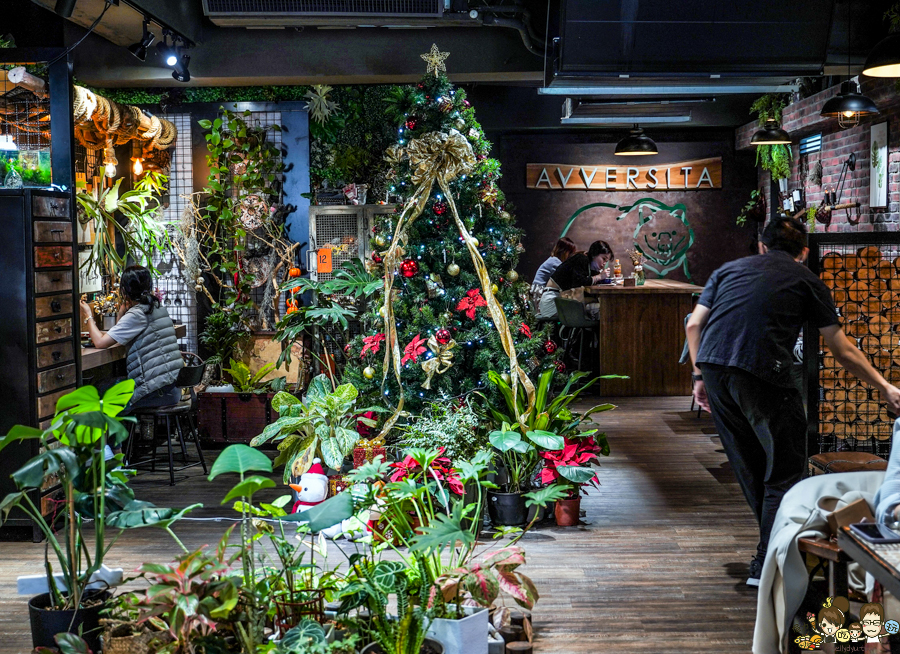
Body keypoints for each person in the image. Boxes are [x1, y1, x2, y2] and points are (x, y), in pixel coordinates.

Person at [685, 216, 900, 587]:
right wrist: (884, 386)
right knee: (785, 470)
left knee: (751, 466)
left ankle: (772, 546)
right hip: (762, 370)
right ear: (803, 251)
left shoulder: (728, 271)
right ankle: (768, 560)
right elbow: (842, 348)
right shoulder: (807, 279)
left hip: (716, 369)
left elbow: (693, 325)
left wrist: (699, 376)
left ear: (762, 246)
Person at [80, 266, 184, 411]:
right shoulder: (156, 307)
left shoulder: (137, 314)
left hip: (155, 392)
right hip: (171, 387)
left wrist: (88, 315)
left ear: (124, 290)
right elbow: (119, 333)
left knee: (98, 390)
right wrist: (122, 312)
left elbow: (100, 343)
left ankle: (115, 433)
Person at [538, 240, 613, 320]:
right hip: (552, 302)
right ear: (594, 254)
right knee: (600, 310)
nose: (604, 263)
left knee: (596, 306)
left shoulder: (587, 265)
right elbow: (579, 283)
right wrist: (599, 277)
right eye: (603, 259)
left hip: (559, 300)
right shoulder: (581, 259)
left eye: (606, 261)